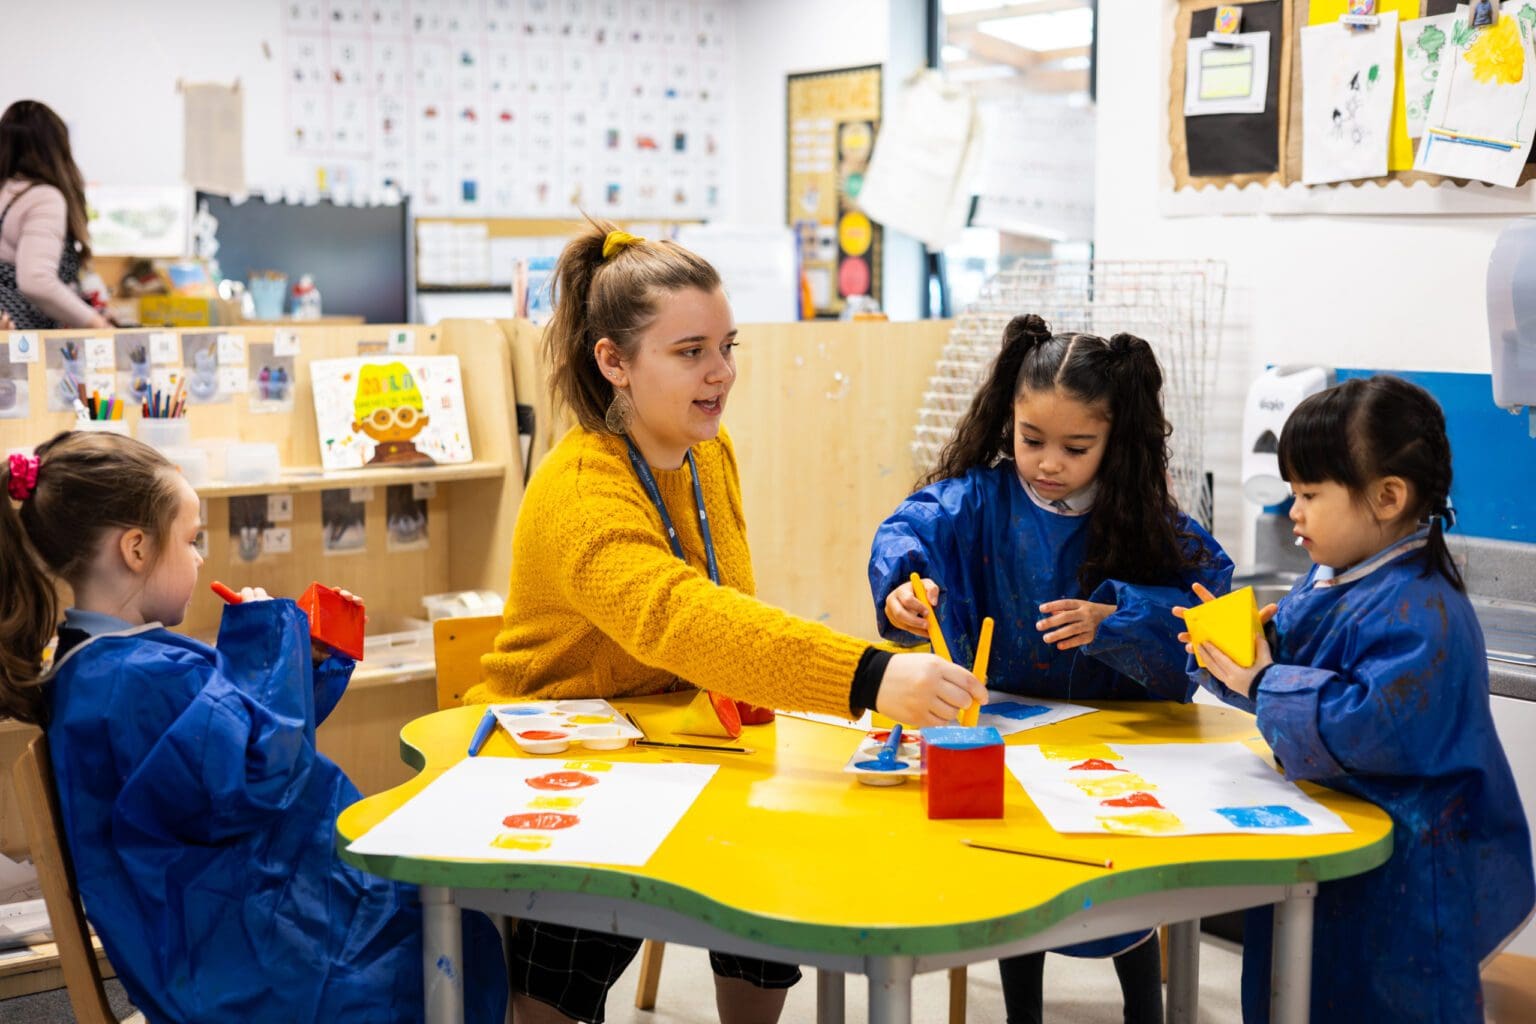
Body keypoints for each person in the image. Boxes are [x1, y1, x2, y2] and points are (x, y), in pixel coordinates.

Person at [466, 220, 987, 1024]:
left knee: (768, 876)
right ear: (615, 363)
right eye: (690, 353)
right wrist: (870, 675)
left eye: (727, 346)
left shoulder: (709, 454)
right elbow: (681, 618)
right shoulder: (579, 490)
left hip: (675, 742)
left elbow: (729, 609)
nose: (722, 374)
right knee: (567, 968)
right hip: (564, 761)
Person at [0, 432, 507, 1024]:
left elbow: (239, 747)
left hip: (229, 926)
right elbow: (260, 772)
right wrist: (266, 644)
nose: (199, 559)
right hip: (242, 958)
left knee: (442, 922)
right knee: (443, 941)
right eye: (191, 541)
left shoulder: (107, 662)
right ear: (135, 549)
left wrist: (302, 662)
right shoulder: (136, 680)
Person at [867, 313, 1234, 1024]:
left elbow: (1205, 602)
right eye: (1031, 439)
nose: (1048, 462)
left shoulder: (1141, 513)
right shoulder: (977, 498)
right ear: (1008, 417)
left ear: (1115, 442)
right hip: (1005, 730)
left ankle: (1144, 1008)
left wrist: (1116, 617)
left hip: (1119, 735)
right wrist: (903, 583)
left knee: (1126, 878)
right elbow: (908, 527)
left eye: (1076, 446)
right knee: (1018, 878)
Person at [1176, 375, 1534, 1023]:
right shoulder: (1332, 577)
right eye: (1292, 493)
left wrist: (1260, 680)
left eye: (1310, 494)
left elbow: (1363, 725)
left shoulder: (1425, 613)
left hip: (1399, 884)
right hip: (1327, 852)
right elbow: (1294, 677)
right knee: (1294, 991)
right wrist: (1230, 652)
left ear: (1388, 497)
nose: (1294, 512)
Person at [0, 100, 110, 329]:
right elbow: (36, 280)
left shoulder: (7, 192)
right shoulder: (42, 197)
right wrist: (97, 324)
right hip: (24, 340)